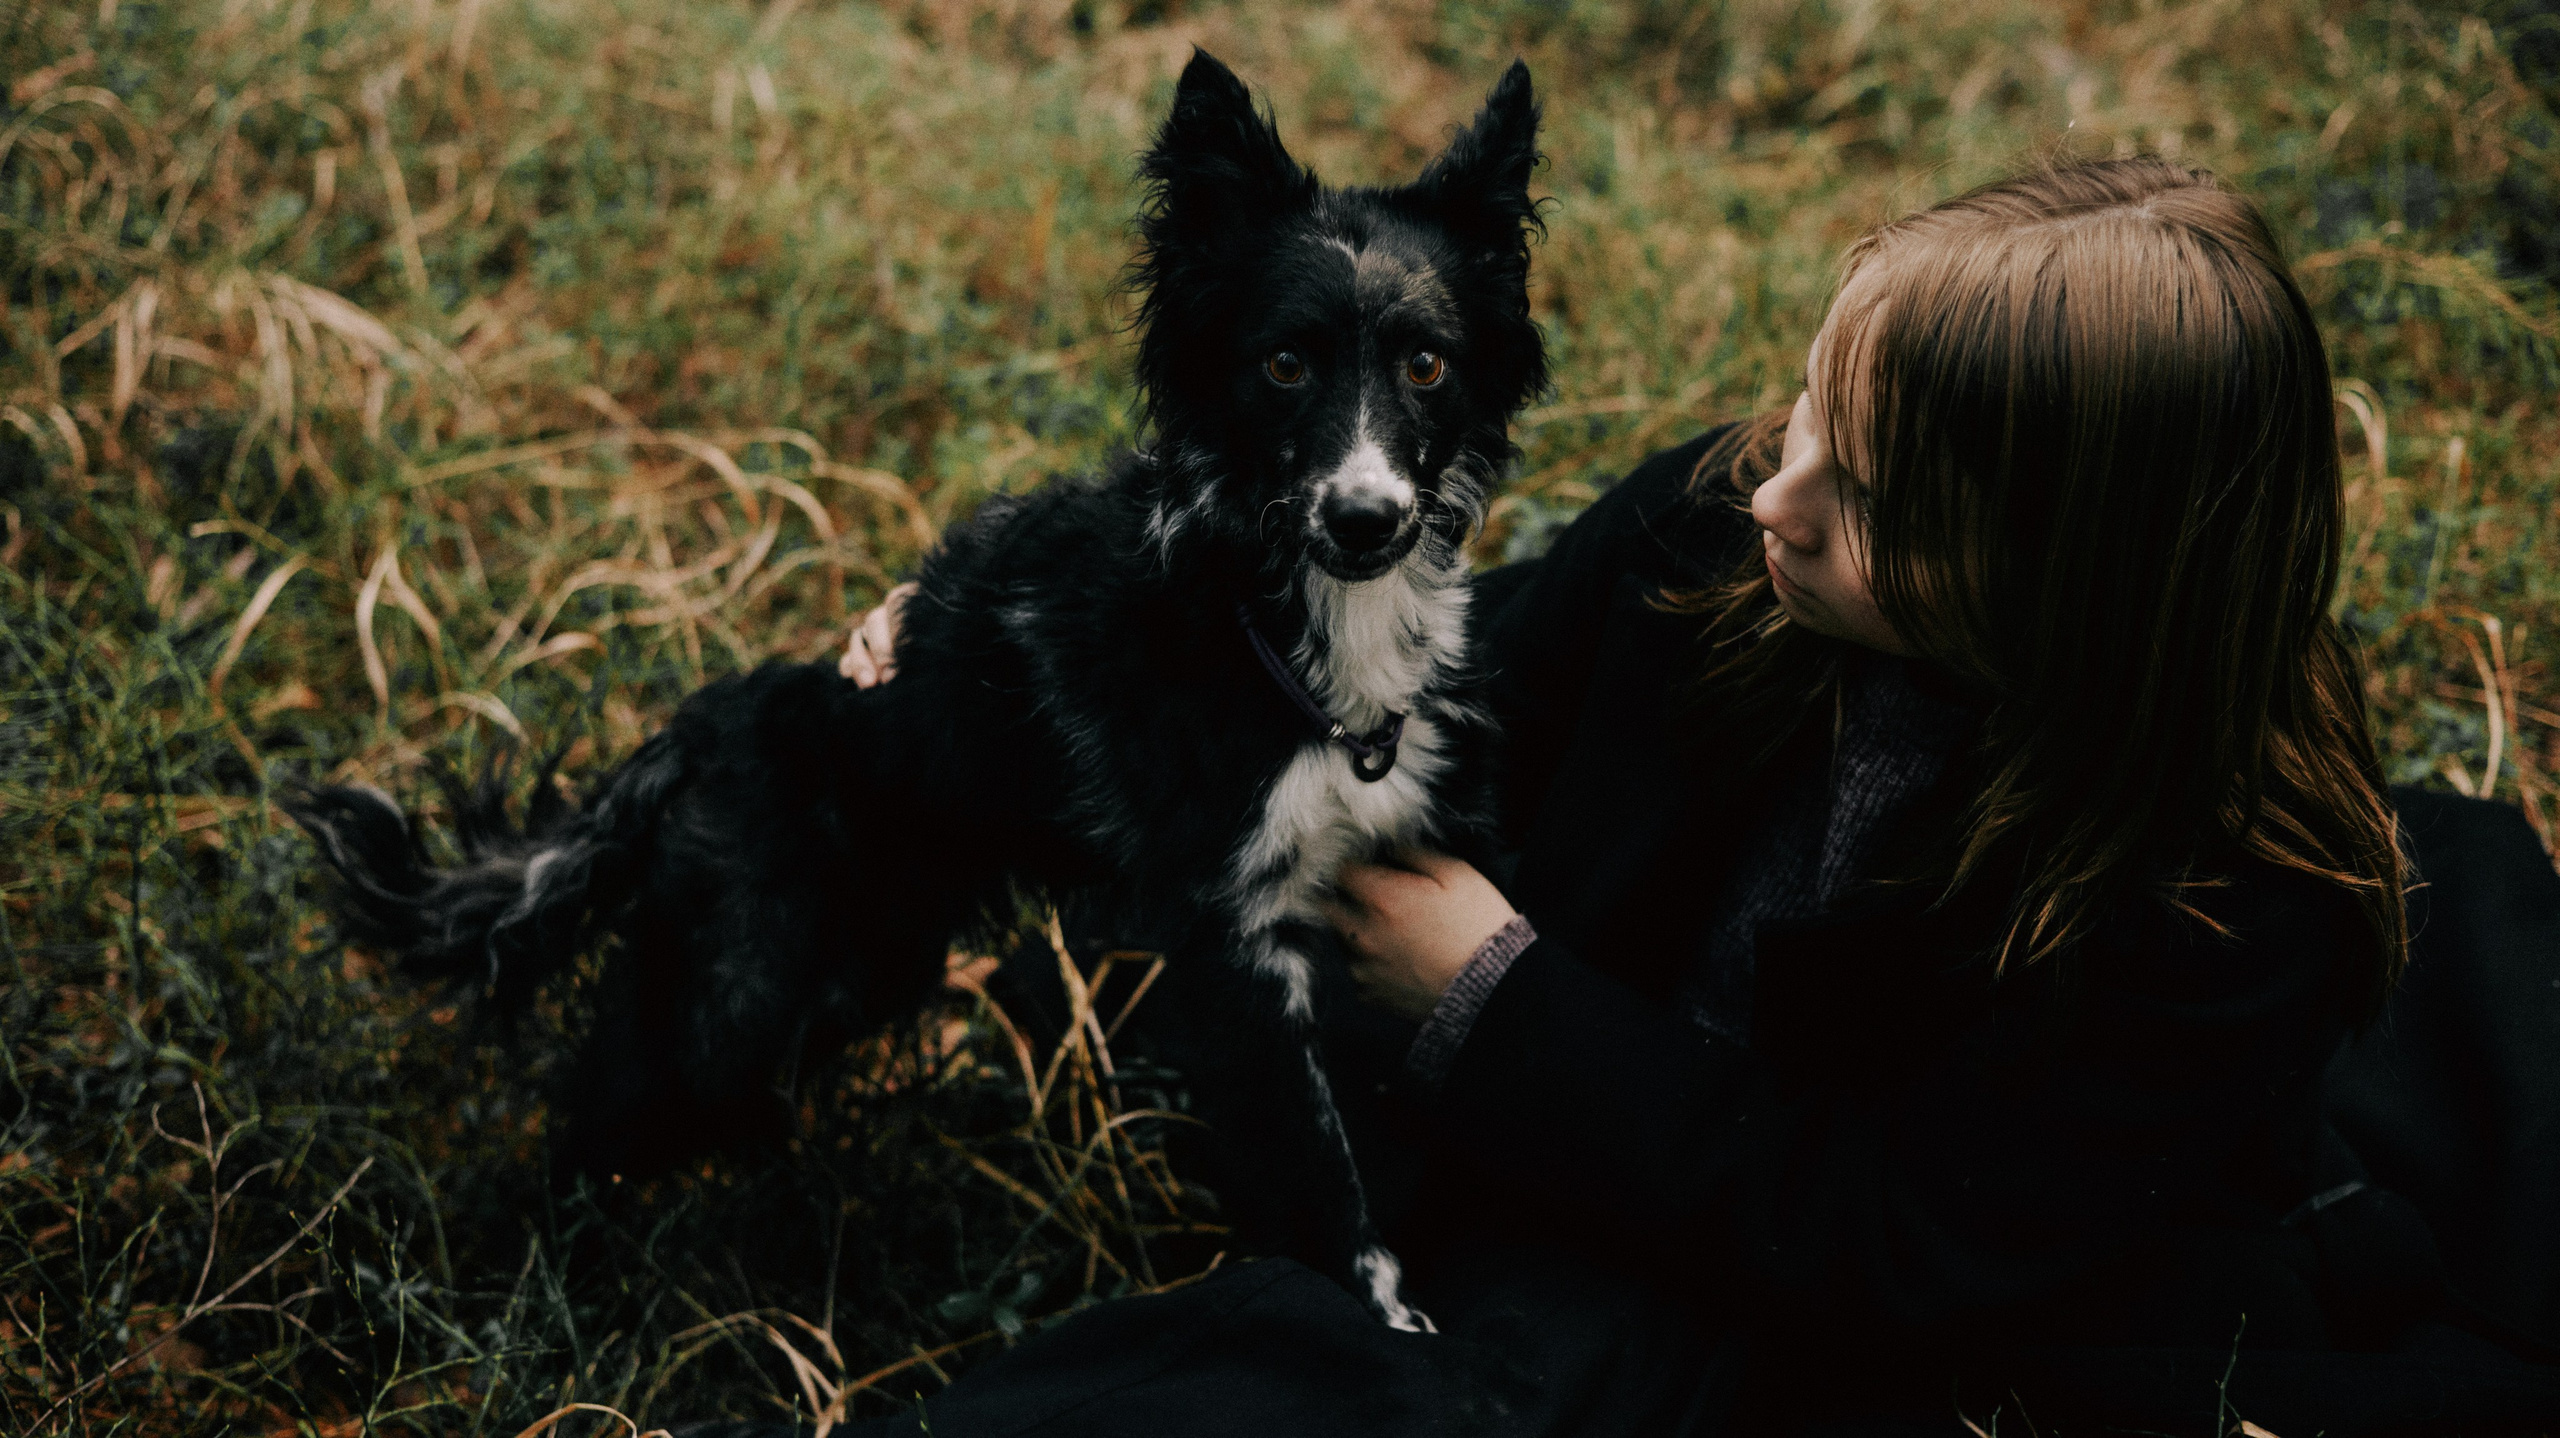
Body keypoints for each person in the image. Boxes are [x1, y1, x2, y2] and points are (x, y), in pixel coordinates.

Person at [810, 157, 2560, 1436]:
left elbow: (1890, 1238)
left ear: (2070, 593)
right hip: (1597, 1123)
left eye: (1871, 500)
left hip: (1803, 1262)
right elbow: (1419, 689)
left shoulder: (2215, 896)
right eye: (1809, 411)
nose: (1782, 496)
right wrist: (1004, 633)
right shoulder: (1719, 537)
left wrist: (1492, 1000)